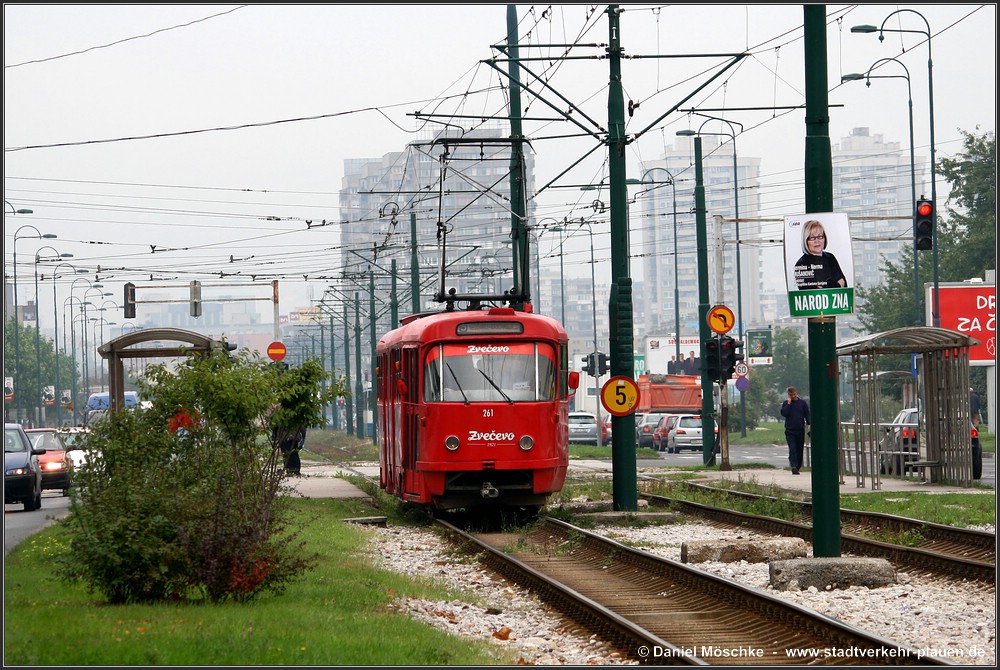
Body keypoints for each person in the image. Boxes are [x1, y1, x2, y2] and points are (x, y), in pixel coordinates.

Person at [793, 219, 847, 290]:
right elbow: (814, 291)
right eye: (812, 237)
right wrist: (836, 285)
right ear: (805, 241)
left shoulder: (830, 257)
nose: (817, 241)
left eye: (820, 236)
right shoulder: (801, 265)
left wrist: (826, 286)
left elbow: (843, 281)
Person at [780, 386, 810, 475]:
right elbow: (784, 413)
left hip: (800, 429)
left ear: (796, 393)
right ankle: (793, 466)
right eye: (791, 395)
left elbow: (807, 414)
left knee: (799, 449)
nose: (793, 396)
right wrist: (789, 404)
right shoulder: (786, 403)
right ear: (788, 395)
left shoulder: (802, 403)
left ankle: (798, 466)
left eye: (794, 394)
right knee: (792, 448)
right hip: (790, 430)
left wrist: (809, 423)